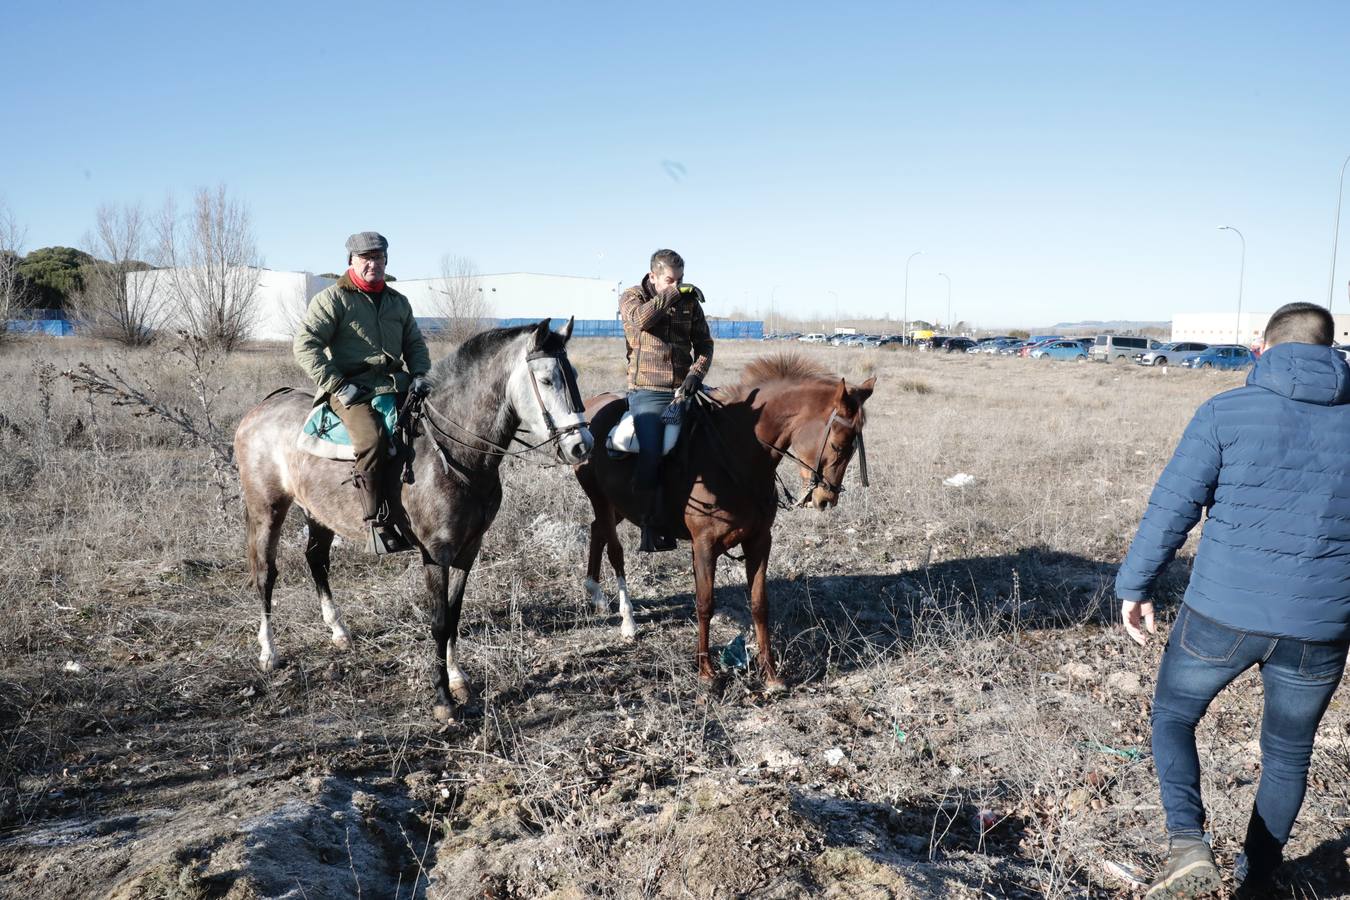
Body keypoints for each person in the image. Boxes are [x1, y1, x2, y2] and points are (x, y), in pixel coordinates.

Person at [1116, 301, 1350, 898]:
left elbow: (1174, 508)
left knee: (1172, 716)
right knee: (1287, 755)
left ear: (1263, 347)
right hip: (1320, 628)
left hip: (1219, 615)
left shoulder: (1226, 411)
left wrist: (1136, 585)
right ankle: (1260, 878)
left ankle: (1188, 847)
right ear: (1332, 349)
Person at [293, 231, 432, 555]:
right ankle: (376, 524)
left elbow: (414, 344)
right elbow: (305, 344)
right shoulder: (333, 299)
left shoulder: (398, 302)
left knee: (430, 434)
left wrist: (422, 374)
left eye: (379, 257)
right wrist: (338, 384)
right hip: (352, 390)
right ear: (351, 261)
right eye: (366, 258)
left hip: (396, 384)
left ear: (386, 260)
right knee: (372, 440)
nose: (373, 264)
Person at [619, 248, 713, 552]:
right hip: (647, 393)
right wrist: (674, 293)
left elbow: (705, 345)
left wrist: (695, 375)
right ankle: (649, 522)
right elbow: (642, 321)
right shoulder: (632, 298)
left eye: (681, 279)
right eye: (671, 280)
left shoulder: (689, 303)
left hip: (684, 390)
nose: (679, 284)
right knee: (652, 452)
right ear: (653, 277)